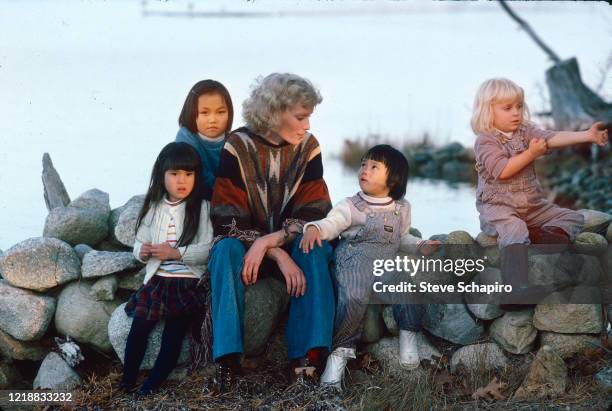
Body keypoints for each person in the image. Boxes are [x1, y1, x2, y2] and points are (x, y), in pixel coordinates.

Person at [209, 73, 335, 391]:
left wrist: (276, 241)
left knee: (316, 247)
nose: (307, 125)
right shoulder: (237, 145)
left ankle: (307, 358)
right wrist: (273, 251)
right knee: (224, 250)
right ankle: (227, 362)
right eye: (301, 117)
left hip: (288, 244)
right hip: (247, 248)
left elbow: (315, 212)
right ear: (275, 112)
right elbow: (226, 219)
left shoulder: (309, 147)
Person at [300, 144, 441, 389]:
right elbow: (332, 223)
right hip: (353, 261)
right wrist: (315, 228)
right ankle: (338, 357)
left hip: (383, 264)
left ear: (394, 177)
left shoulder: (402, 208)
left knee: (406, 283)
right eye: (363, 164)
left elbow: (402, 238)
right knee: (354, 297)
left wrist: (420, 245)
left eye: (374, 167)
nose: (364, 170)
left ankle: (408, 334)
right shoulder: (351, 206)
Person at [472, 78, 608, 308]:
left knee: (573, 218)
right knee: (514, 228)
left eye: (519, 106)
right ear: (488, 111)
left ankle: (540, 235)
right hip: (498, 208)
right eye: (507, 108)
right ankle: (515, 291)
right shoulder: (486, 141)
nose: (515, 113)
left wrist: (587, 135)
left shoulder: (525, 131)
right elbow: (502, 171)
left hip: (532, 207)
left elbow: (551, 138)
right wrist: (531, 153)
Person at [120, 142, 213, 395]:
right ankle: (127, 381)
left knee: (172, 339)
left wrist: (176, 252)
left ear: (196, 176)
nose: (181, 180)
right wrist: (143, 251)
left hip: (186, 284)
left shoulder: (202, 209)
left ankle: (149, 387)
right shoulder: (154, 207)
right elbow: (139, 242)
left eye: (188, 174)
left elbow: (207, 249)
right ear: (162, 175)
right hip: (158, 281)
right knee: (138, 330)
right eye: (174, 174)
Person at [176, 79, 234, 200]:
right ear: (191, 112)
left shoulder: (234, 139)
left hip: (229, 197)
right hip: (197, 197)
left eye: (220, 112)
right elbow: (201, 174)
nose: (213, 119)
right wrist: (226, 195)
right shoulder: (186, 137)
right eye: (204, 112)